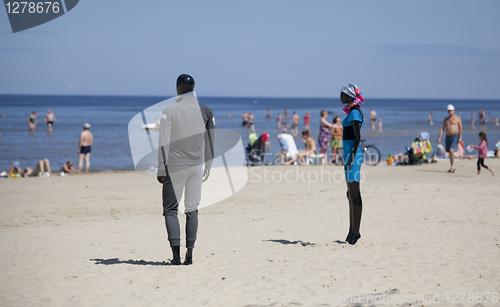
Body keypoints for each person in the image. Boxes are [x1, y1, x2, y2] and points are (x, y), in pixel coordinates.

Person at [157, 74, 215, 265]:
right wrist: (209, 164)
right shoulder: (206, 111)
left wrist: (160, 167)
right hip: (196, 167)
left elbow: (163, 141)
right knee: (192, 209)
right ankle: (189, 255)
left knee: (171, 210)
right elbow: (211, 141)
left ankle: (175, 256)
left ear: (178, 88)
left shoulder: (169, 110)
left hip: (175, 167)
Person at [340, 84, 364, 245]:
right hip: (349, 156)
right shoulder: (352, 111)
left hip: (353, 157)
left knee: (354, 194)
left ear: (349, 96)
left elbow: (357, 138)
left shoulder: (354, 112)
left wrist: (351, 158)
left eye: (342, 94)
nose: (340, 97)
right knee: (350, 194)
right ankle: (351, 231)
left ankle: (356, 232)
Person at [437, 104, 462, 173]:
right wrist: (439, 137)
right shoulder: (446, 119)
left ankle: (452, 167)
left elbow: (460, 128)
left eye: (451, 110)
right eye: (449, 111)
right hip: (448, 137)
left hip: (455, 136)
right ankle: (451, 166)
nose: (450, 112)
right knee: (449, 152)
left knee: (451, 150)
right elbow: (442, 128)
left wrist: (460, 137)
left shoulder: (457, 118)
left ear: (453, 111)